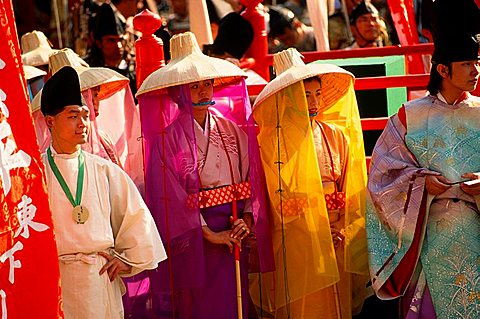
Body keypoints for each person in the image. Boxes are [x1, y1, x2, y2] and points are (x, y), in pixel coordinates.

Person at [132, 31, 274, 318]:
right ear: (178, 91)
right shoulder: (167, 140)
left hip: (233, 225)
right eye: (194, 86)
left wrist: (246, 220)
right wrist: (209, 234)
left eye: (206, 84)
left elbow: (253, 178)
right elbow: (167, 195)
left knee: (236, 300)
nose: (203, 91)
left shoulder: (233, 131)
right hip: (197, 234)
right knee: (202, 305)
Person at [366, 0, 480, 317]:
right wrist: (420, 183)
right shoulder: (409, 116)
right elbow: (382, 176)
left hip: (476, 230)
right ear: (442, 69)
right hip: (429, 234)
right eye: (467, 64)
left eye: (478, 62)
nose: (476, 71)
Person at [251, 47, 369, 318]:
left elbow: (349, 188)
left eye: (317, 94)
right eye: (304, 95)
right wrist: (315, 226)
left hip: (336, 231)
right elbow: (274, 200)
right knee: (304, 304)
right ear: (288, 98)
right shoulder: (270, 142)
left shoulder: (335, 135)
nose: (313, 102)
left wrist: (340, 226)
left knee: (336, 302)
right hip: (296, 236)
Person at [40, 66, 166, 318]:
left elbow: (135, 217)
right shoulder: (37, 172)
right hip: (55, 280)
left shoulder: (104, 170)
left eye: (85, 115)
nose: (83, 123)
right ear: (50, 121)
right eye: (73, 116)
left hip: (98, 278)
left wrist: (127, 258)